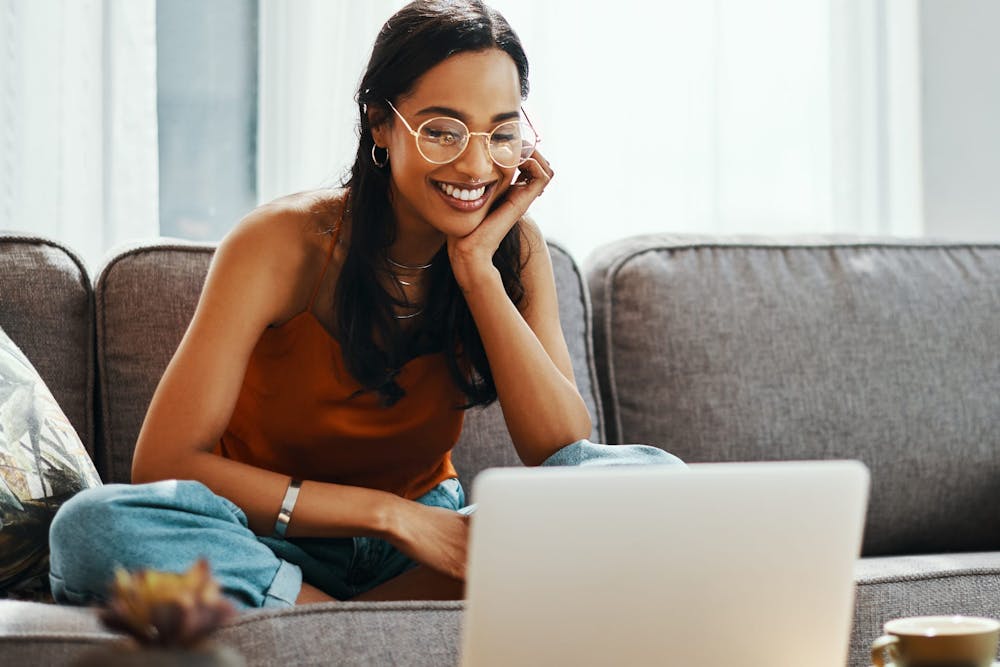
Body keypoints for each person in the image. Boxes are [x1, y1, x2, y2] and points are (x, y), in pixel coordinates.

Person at [48, 0, 680, 610]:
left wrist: (476, 272)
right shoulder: (281, 243)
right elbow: (165, 461)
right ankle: (338, 617)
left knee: (651, 480)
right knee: (90, 527)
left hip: (432, 549)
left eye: (501, 133)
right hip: (266, 539)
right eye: (441, 130)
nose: (475, 163)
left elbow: (560, 446)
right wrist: (388, 516)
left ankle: (327, 620)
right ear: (381, 124)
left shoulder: (510, 250)